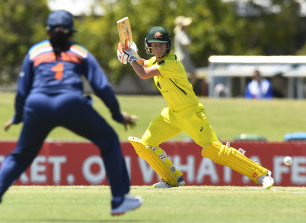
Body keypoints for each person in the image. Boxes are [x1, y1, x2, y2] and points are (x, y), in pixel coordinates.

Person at [0, 10, 142, 221]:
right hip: (71, 104)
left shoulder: (35, 51)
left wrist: (19, 116)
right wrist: (117, 115)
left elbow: (21, 91)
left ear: (47, 31)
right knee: (109, 140)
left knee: (20, 156)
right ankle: (119, 200)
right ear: (72, 32)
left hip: (37, 106)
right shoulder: (80, 52)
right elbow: (101, 87)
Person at [117, 26, 274, 189]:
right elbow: (143, 64)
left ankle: (261, 174)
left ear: (168, 46)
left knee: (215, 150)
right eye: (154, 45)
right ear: (149, 46)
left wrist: (131, 58)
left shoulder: (171, 62)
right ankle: (171, 179)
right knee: (146, 145)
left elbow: (143, 73)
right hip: (172, 114)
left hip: (191, 114)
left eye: (161, 45)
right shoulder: (155, 61)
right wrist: (132, 55)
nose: (158, 48)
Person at [173, 16, 196, 85]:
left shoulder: (179, 33)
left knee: (191, 75)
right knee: (190, 75)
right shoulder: (181, 34)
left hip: (181, 58)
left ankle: (186, 89)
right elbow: (186, 43)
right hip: (182, 58)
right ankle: (185, 90)